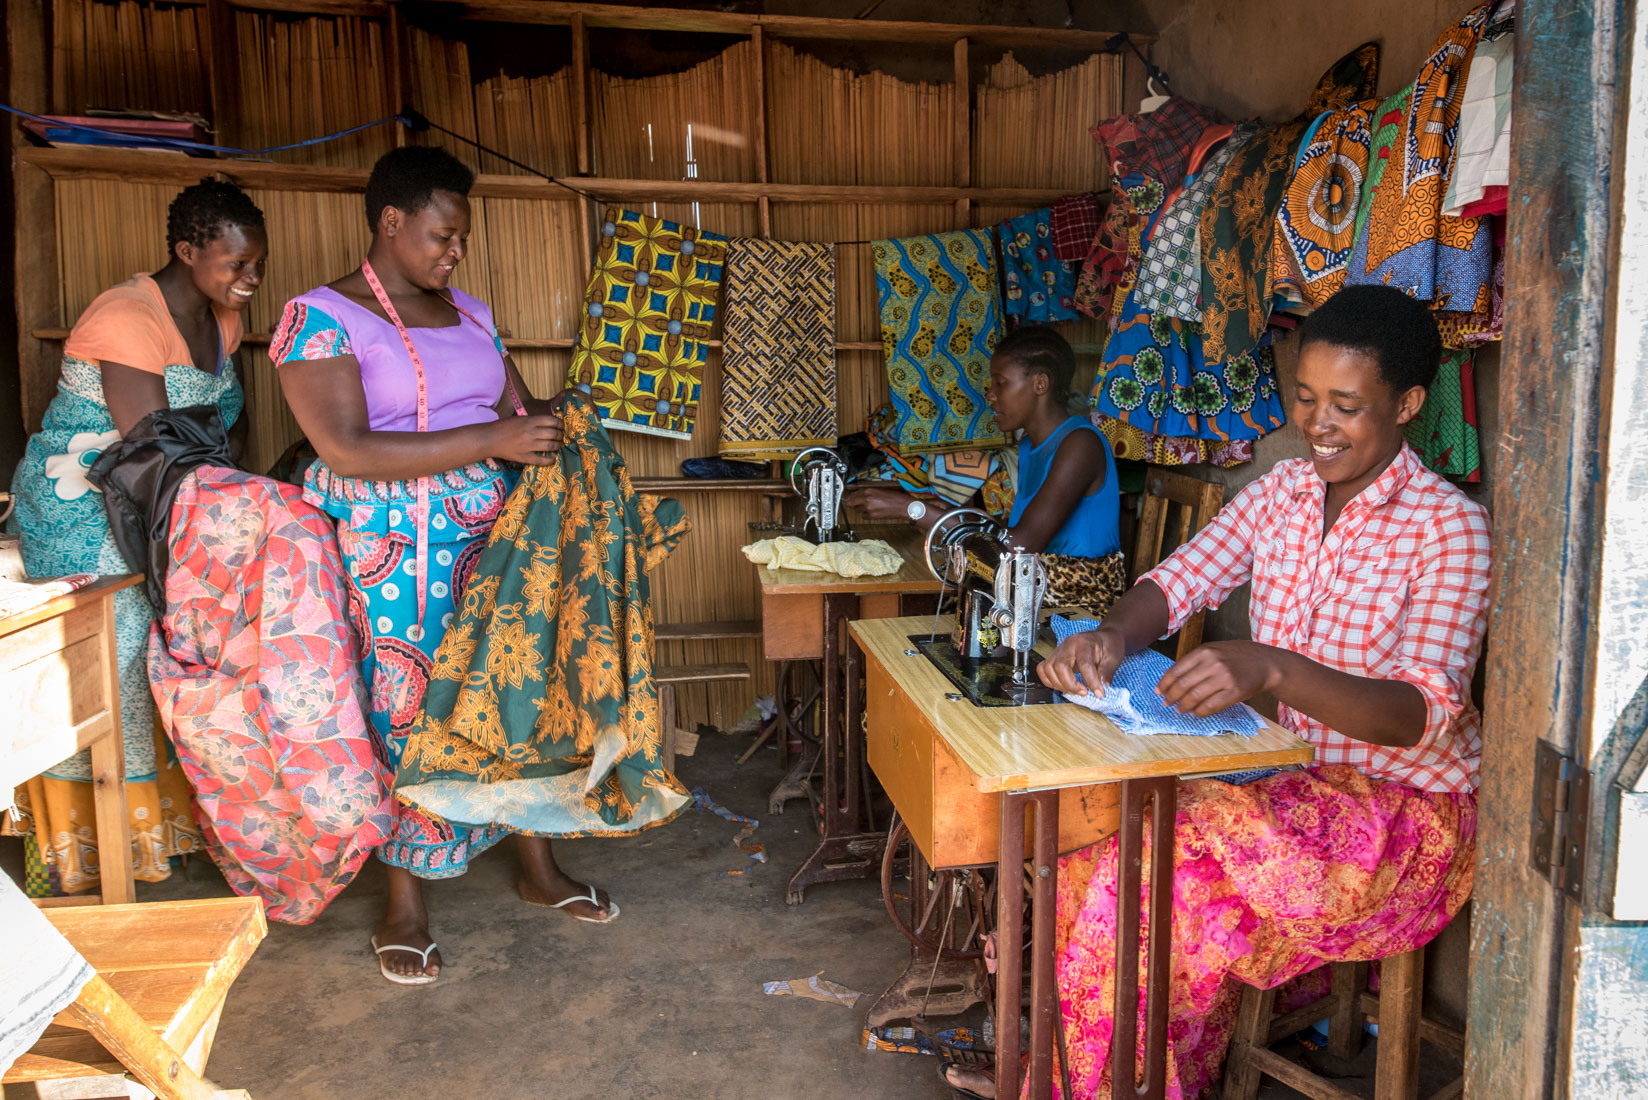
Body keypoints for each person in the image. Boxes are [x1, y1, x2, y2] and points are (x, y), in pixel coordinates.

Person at [944, 284, 1488, 1099]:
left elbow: (1420, 716)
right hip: (1292, 776)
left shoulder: (1448, 529)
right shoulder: (1282, 495)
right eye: (1305, 398)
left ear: (1408, 403)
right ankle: (1079, 1075)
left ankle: (1091, 1083)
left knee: (1146, 871)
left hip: (1402, 817)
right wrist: (1110, 636)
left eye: (1347, 405)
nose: (1317, 424)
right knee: (1099, 836)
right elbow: (1177, 584)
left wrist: (1272, 669)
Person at [270, 145, 616, 984]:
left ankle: (535, 868)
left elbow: (515, 410)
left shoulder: (470, 312)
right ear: (392, 222)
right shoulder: (319, 317)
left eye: (460, 237)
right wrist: (495, 441)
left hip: (489, 535)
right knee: (409, 707)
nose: (454, 250)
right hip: (391, 552)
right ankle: (405, 905)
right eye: (441, 233)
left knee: (512, 690)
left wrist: (554, 420)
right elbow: (346, 450)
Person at [6, 180, 266, 894]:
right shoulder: (125, 316)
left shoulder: (221, 319)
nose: (250, 280)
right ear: (186, 250)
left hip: (169, 501)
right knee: (121, 639)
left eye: (256, 265)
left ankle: (172, 833)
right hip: (87, 503)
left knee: (190, 637)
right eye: (234, 264)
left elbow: (222, 423)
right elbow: (150, 450)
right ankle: (92, 850)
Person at [847, 326, 1125, 614]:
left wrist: (916, 510)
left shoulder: (1080, 444)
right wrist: (950, 515)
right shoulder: (1031, 444)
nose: (990, 395)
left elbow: (1019, 547)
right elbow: (1022, 528)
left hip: (1078, 602)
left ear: (1040, 384)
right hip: (1035, 588)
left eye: (1000, 383)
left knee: (947, 614)